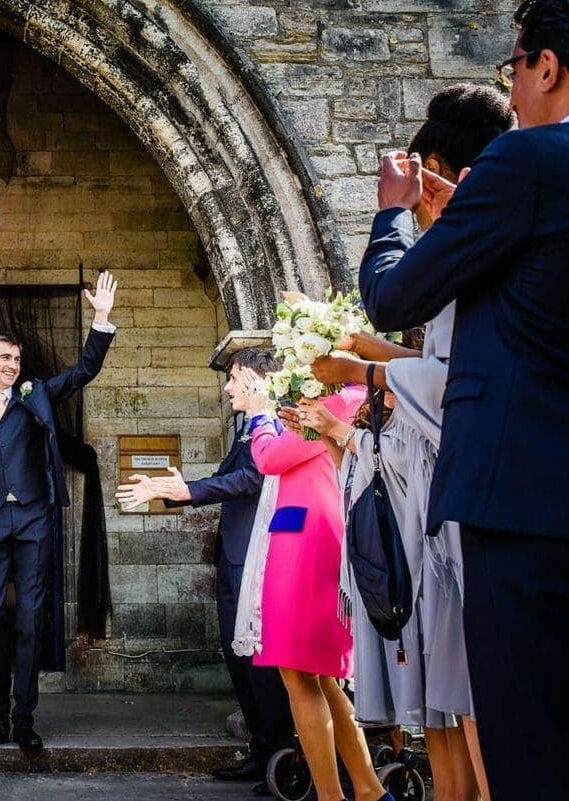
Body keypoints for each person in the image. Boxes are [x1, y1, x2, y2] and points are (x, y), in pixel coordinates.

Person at [355, 2, 569, 795]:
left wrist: (389, 213)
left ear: (546, 66)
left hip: (522, 506)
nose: (511, 90)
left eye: (512, 67)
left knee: (529, 746)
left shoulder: (529, 161)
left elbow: (394, 298)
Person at [309, 82, 513, 801]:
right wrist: (376, 360)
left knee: (483, 700)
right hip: (450, 501)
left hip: (473, 498)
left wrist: (367, 367)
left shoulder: (485, 245)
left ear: (436, 175)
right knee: (453, 698)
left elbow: (453, 377)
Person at [0, 272, 117, 752]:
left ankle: (24, 719)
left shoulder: (36, 393)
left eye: (17, 359)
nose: (13, 365)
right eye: (4, 358)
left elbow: (84, 370)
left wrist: (101, 319)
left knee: (32, 617)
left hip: (35, 519)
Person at [116, 349, 294, 793]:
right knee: (238, 660)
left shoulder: (274, 426)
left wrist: (183, 490)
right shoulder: (245, 432)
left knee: (259, 664)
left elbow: (250, 481)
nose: (229, 386)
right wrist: (173, 490)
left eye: (235, 378)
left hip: (256, 559)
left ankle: (281, 756)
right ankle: (261, 750)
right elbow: (227, 480)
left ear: (256, 380)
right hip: (233, 556)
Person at [241, 381, 391, 801]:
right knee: (321, 677)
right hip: (308, 533)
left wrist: (261, 418)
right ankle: (368, 789)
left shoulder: (337, 401)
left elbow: (270, 458)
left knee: (296, 670)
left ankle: (333, 795)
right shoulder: (344, 399)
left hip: (306, 542)